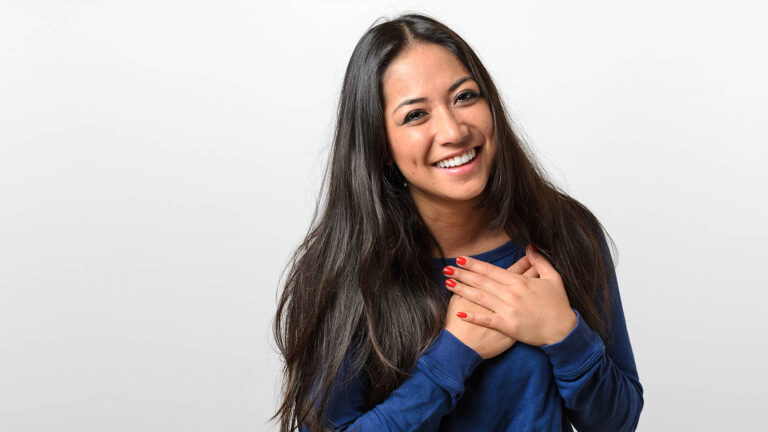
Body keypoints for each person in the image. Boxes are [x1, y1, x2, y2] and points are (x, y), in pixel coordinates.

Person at [273, 12, 643, 432]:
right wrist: (452, 357)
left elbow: (619, 422)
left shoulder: (566, 232)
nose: (452, 130)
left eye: (464, 97)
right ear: (380, 145)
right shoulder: (343, 274)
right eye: (415, 115)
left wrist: (564, 332)